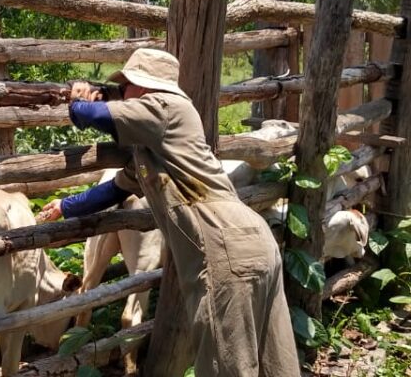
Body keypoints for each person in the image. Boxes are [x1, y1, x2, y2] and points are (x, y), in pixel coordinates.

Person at [36, 48, 299, 377]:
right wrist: (65, 206)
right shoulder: (155, 150)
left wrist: (78, 101)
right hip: (252, 242)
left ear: (144, 88)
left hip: (225, 252)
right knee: (275, 365)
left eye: (126, 87)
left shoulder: (168, 108)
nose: (122, 94)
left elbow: (96, 116)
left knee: (228, 367)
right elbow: (114, 190)